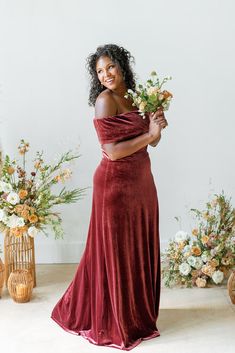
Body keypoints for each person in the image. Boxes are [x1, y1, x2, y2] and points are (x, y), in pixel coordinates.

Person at [51, 43, 168, 350]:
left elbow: (150, 143)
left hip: (142, 183)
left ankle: (137, 315)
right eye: (99, 72)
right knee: (116, 253)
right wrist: (150, 135)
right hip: (114, 186)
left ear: (121, 65)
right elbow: (112, 152)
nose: (105, 75)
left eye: (110, 67)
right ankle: (117, 319)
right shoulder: (105, 100)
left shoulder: (136, 95)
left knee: (136, 249)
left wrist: (157, 127)